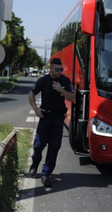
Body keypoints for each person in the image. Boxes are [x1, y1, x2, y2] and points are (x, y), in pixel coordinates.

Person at [28, 57, 75, 187]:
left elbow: (73, 97)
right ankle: (35, 162)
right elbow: (31, 95)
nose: (60, 71)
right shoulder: (43, 80)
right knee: (39, 145)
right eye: (57, 69)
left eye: (61, 69)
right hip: (45, 117)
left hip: (58, 118)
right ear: (51, 69)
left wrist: (61, 90)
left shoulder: (65, 81)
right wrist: (36, 109)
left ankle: (46, 174)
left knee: (54, 147)